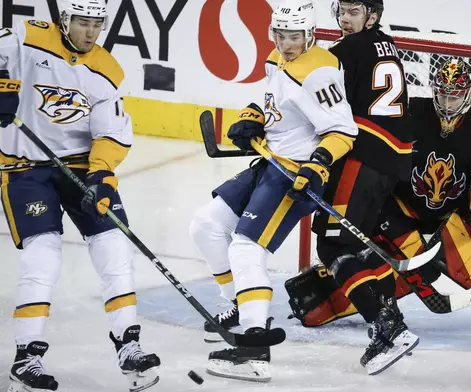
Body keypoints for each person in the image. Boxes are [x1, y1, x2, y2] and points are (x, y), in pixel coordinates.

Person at [287, 58, 471, 336]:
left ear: (469, 93)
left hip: (453, 218)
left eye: (455, 96)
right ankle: (343, 302)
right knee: (417, 268)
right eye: (443, 94)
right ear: (435, 90)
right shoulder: (409, 112)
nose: (448, 103)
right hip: (400, 210)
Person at [188, 0, 358, 382]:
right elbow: (274, 102)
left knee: (247, 247)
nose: (286, 43)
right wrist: (253, 116)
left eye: (294, 36)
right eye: (280, 35)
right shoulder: (275, 57)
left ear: (310, 34)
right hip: (271, 162)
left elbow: (343, 131)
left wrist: (317, 165)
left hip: (295, 175)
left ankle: (252, 347)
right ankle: (238, 304)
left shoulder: (320, 71)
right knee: (206, 224)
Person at [0, 1, 160, 391]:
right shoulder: (28, 37)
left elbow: (110, 133)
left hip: (80, 168)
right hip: (25, 168)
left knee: (114, 247)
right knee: (44, 254)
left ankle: (129, 345)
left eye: (97, 24)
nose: (90, 32)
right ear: (65, 20)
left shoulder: (108, 70)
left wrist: (103, 177)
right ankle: (27, 356)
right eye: (82, 23)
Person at [309, 0, 418, 375]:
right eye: (342, 10)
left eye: (354, 12)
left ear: (372, 16)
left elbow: (322, 107)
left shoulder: (341, 51)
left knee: (332, 244)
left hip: (364, 157)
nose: (344, 19)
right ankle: (393, 318)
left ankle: (386, 326)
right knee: (358, 243)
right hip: (391, 161)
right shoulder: (385, 44)